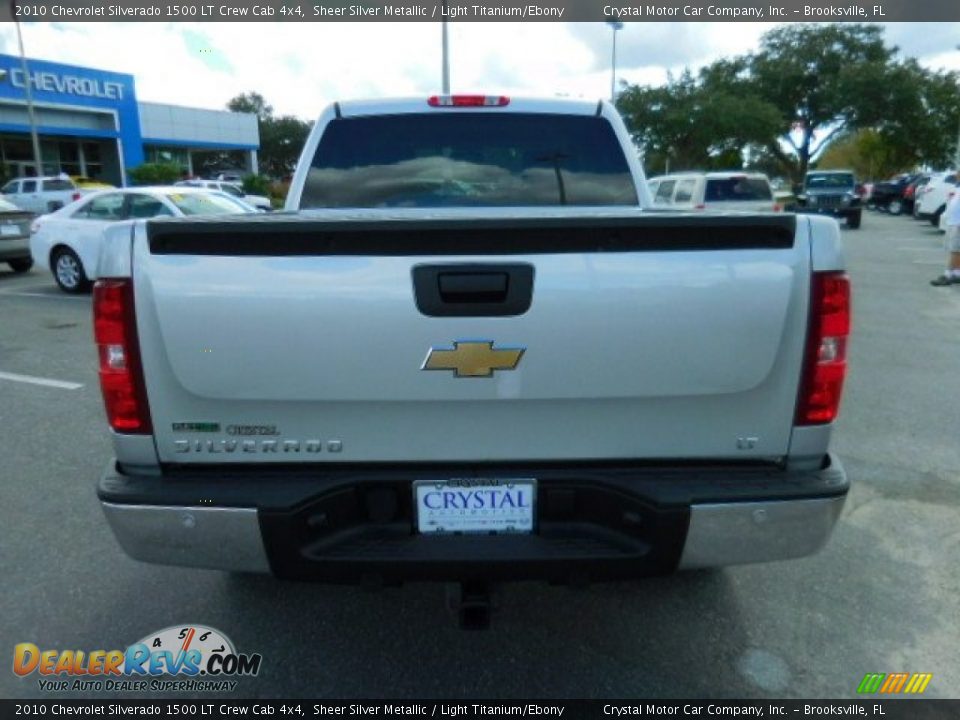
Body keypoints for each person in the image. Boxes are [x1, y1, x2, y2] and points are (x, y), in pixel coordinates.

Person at [931, 190, 960, 286]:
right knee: (955, 249)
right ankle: (957, 273)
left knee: (956, 250)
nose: (957, 175)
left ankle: (947, 275)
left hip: (957, 224)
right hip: (953, 222)